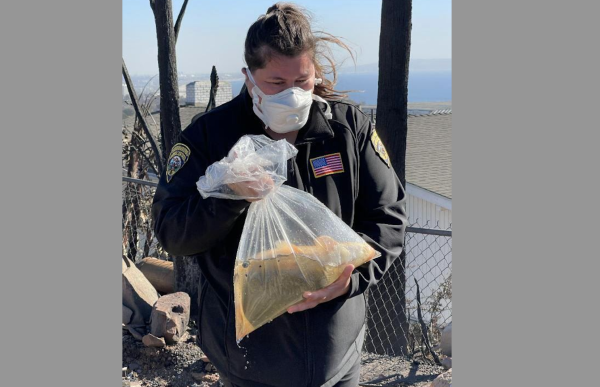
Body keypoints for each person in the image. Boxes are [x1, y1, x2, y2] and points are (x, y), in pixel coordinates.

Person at [152, 3, 407, 386]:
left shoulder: (347, 129)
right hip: (251, 362)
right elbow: (172, 231)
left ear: (314, 72)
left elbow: (389, 218)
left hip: (337, 356)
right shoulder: (210, 138)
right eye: (275, 84)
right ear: (248, 77)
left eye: (302, 81)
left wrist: (351, 278)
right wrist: (229, 196)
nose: (292, 95)